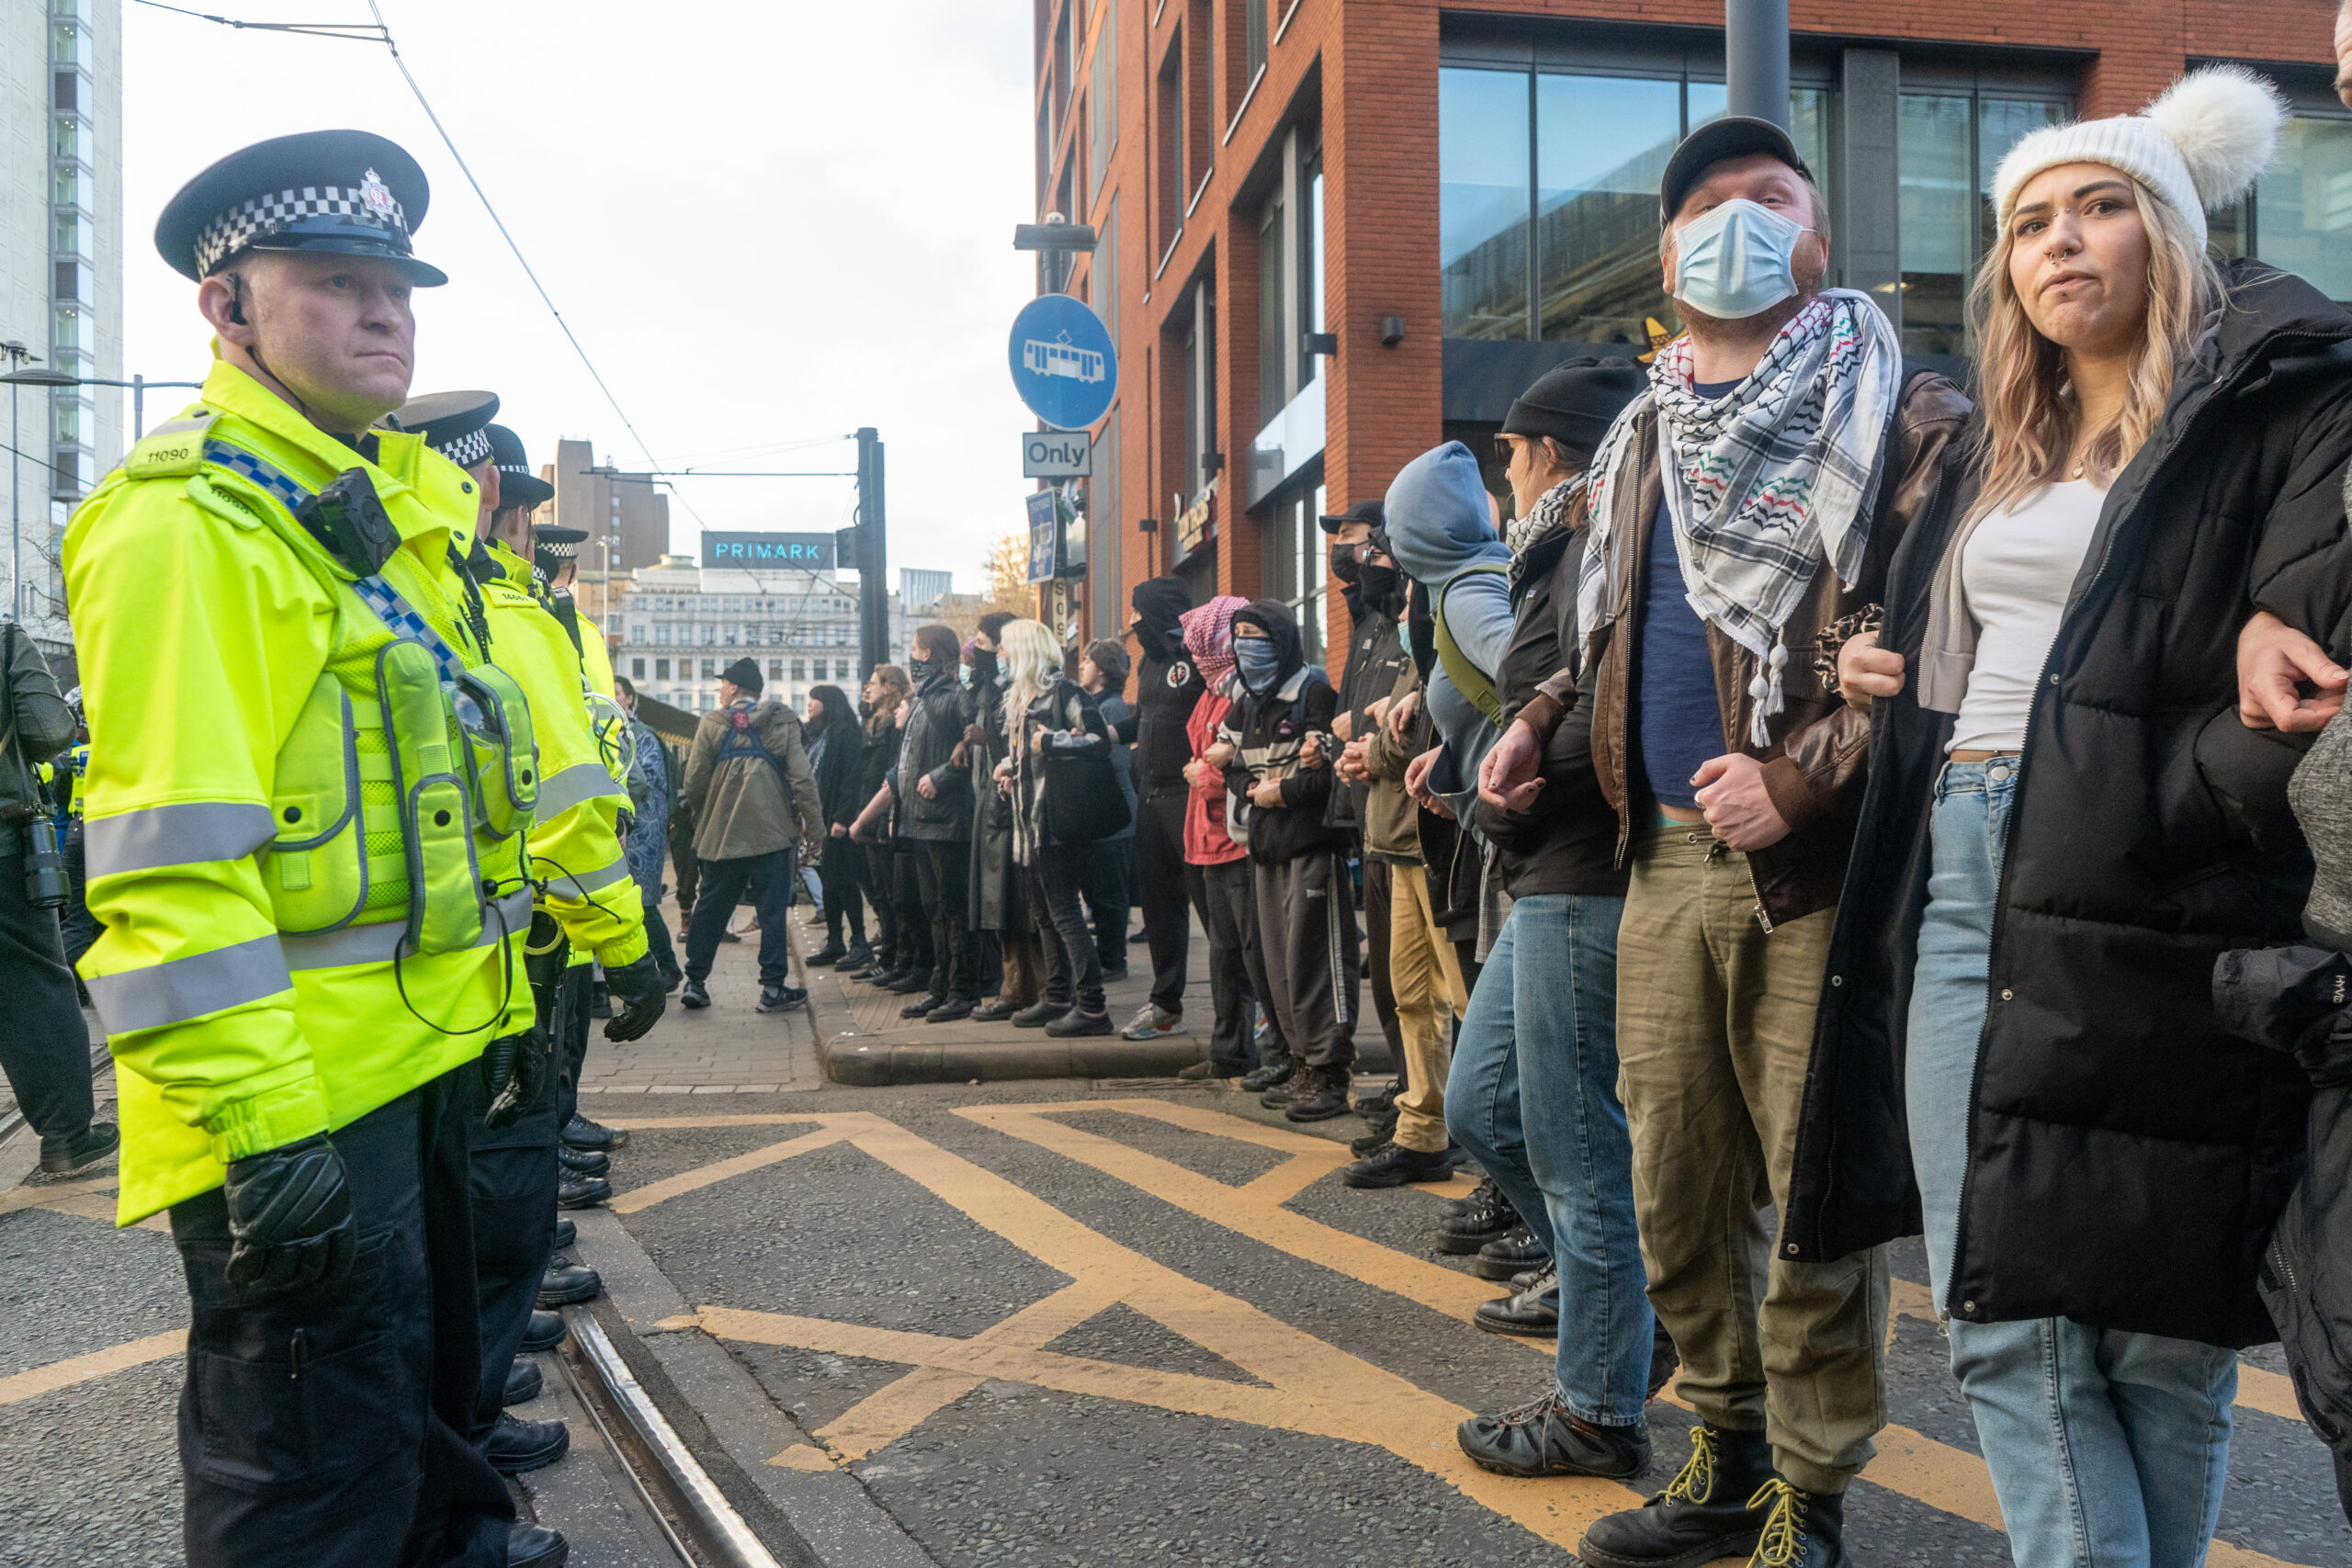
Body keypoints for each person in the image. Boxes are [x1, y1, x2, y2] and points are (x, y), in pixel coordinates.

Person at [1796, 69, 2352, 1564]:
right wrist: (1882, 668)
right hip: (1974, 878)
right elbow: (1970, 669)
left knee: (2159, 1351)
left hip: (2177, 899)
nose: (2062, 240)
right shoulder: (1993, 449)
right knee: (2012, 1329)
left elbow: (2309, 666)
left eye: (2103, 205)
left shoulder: (2279, 408)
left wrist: (2190, 780)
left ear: (2170, 231)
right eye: (2032, 217)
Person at [67, 130, 568, 1568]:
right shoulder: (189, 523)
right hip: (296, 1093)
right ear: (227, 310)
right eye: (336, 282)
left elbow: (445, 822)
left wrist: (506, 1013)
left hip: (401, 1068)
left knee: (402, 1403)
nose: (386, 312)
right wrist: (266, 1122)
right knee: (301, 1470)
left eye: (399, 286)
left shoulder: (354, 518)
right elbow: (172, 867)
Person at [1481, 115, 1971, 1562]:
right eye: (1711, 204)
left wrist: (1807, 777)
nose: (1742, 222)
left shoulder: (1903, 414)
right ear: (1667, 253)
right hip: (1661, 855)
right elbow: (1611, 621)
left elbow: (1930, 647)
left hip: (1807, 865)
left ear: (1821, 237)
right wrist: (1545, 713)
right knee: (1675, 1178)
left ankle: (1808, 1498)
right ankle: (1725, 1450)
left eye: (1775, 197)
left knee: (1805, 1184)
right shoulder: (1641, 434)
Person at [404, 398, 667, 1476]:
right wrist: (621, 935)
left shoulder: (495, 606)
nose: (522, 535)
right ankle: (467, 1412)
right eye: (516, 511)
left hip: (502, 947)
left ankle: (469, 1392)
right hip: (519, 945)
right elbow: (564, 791)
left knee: (490, 1187)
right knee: (494, 1192)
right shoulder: (501, 615)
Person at [1452, 356, 1664, 1481]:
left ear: (1557, 453)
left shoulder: (1601, 540)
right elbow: (1557, 686)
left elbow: (1619, 697)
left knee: (1579, 1151)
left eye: (1515, 449)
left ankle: (1596, 1405)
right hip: (1542, 865)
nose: (1505, 469)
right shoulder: (1556, 549)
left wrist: (1530, 766)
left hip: (1583, 867)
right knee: (1480, 1106)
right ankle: (1629, 1313)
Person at [1348, 443, 1506, 1181]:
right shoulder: (1440, 596)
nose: (1377, 560)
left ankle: (1498, 1159)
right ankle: (1423, 1128)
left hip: (1456, 832)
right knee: (1413, 992)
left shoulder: (1467, 591)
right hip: (1421, 828)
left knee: (1474, 1003)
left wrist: (1404, 736)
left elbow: (1529, 689)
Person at [1218, 602, 1357, 1115]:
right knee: (1279, 966)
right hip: (1266, 848)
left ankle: (1329, 1071)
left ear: (1280, 640)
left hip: (1309, 846)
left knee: (1316, 962)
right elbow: (1229, 762)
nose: (1244, 647)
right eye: (1240, 637)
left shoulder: (1312, 693)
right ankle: (1302, 1062)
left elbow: (1330, 770)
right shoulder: (1249, 702)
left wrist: (1288, 792)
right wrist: (1255, 790)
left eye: (1256, 636)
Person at [0, 619, 114, 1175]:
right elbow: (48, 730)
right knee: (34, 986)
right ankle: (67, 1136)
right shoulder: (3, 640)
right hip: (4, 847)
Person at [1321, 499, 1414, 1128]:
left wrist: (1368, 734)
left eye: (1363, 545)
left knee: (1416, 978)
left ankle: (1425, 1094)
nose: (1354, 558)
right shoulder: (1370, 618)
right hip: (1371, 810)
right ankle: (1412, 1086)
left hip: (1408, 818)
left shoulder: (1403, 615)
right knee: (1387, 970)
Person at [679, 657, 822, 1013]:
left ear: (733, 688)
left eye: (722, 685)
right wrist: (815, 828)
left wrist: (704, 817)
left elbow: (693, 782)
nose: (720, 692)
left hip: (722, 836)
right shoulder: (782, 721)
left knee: (710, 909)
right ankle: (772, 990)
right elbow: (803, 779)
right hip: (772, 836)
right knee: (772, 913)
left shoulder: (712, 724)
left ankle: (695, 983)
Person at [997, 618, 1118, 1035]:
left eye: (1006, 647)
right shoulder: (1021, 698)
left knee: (1064, 913)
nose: (1001, 655)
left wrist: (1051, 742)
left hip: (1056, 824)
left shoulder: (1064, 692)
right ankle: (1058, 997)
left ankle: (1092, 1007)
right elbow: (1031, 757)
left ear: (1025, 649)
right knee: (1044, 915)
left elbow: (1100, 742)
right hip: (1027, 828)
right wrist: (1009, 768)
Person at [1174, 596, 1269, 1078]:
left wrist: (1210, 778)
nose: (1193, 654)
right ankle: (1230, 1051)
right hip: (1208, 839)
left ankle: (1265, 1052)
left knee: (1251, 953)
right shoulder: (1214, 689)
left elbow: (1257, 757)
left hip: (1235, 837)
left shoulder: (1241, 690)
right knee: (1224, 953)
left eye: (1199, 644)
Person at [1120, 577, 1204, 1039]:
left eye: (1136, 611)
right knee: (1159, 907)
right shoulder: (1148, 664)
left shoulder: (1195, 657)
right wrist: (1101, 734)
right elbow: (1143, 718)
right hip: (1150, 797)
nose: (1131, 622)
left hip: (1188, 798)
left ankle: (1252, 1005)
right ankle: (1164, 1003)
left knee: (1215, 911)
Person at [897, 625, 978, 1009]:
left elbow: (976, 746)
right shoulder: (923, 699)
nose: (910, 655)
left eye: (914, 648)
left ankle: (961, 991)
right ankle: (940, 987)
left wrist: (942, 778)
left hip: (947, 821)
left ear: (927, 654)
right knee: (933, 908)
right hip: (921, 821)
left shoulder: (954, 696)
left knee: (951, 907)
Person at [961, 615, 1036, 1023]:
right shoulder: (989, 688)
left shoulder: (1018, 689)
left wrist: (983, 737)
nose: (978, 651)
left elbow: (1012, 745)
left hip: (1012, 805)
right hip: (993, 803)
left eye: (984, 642)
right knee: (998, 899)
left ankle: (1033, 987)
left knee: (1019, 900)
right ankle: (1016, 986)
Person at [613, 676, 681, 987]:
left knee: (644, 902)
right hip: (629, 827)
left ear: (630, 699)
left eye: (615, 692)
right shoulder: (613, 731)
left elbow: (645, 783)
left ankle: (668, 968)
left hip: (642, 831)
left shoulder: (641, 735)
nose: (610, 697)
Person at [843, 664, 909, 978]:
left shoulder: (892, 725)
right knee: (880, 889)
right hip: (869, 812)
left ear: (889, 686)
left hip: (880, 815)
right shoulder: (874, 722)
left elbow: (887, 773)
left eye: (872, 683)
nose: (867, 688)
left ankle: (894, 958)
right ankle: (889, 956)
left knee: (889, 891)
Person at [1077, 637, 1137, 976]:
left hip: (1113, 811)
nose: (1080, 667)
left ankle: (1114, 961)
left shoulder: (1111, 706)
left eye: (1085, 661)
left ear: (1100, 669)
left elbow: (1113, 759)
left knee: (1110, 891)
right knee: (1098, 889)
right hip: (1098, 810)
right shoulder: (1092, 702)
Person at [801, 682, 868, 969]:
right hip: (820, 820)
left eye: (814, 699)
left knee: (844, 879)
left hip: (837, 821)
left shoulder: (845, 732)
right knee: (828, 880)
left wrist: (842, 818)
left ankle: (861, 941)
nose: (809, 704)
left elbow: (851, 778)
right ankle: (834, 940)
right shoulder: (817, 734)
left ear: (828, 702)